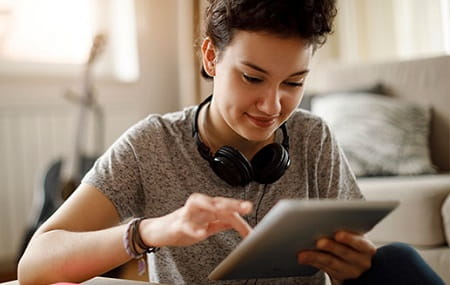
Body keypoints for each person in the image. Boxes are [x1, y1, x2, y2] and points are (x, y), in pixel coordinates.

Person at [18, 0, 444, 285]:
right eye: (252, 78)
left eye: (294, 82)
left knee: (397, 260)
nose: (272, 106)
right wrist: (150, 231)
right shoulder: (151, 145)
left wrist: (358, 266)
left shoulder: (314, 137)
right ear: (210, 57)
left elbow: (353, 259)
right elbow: (35, 262)